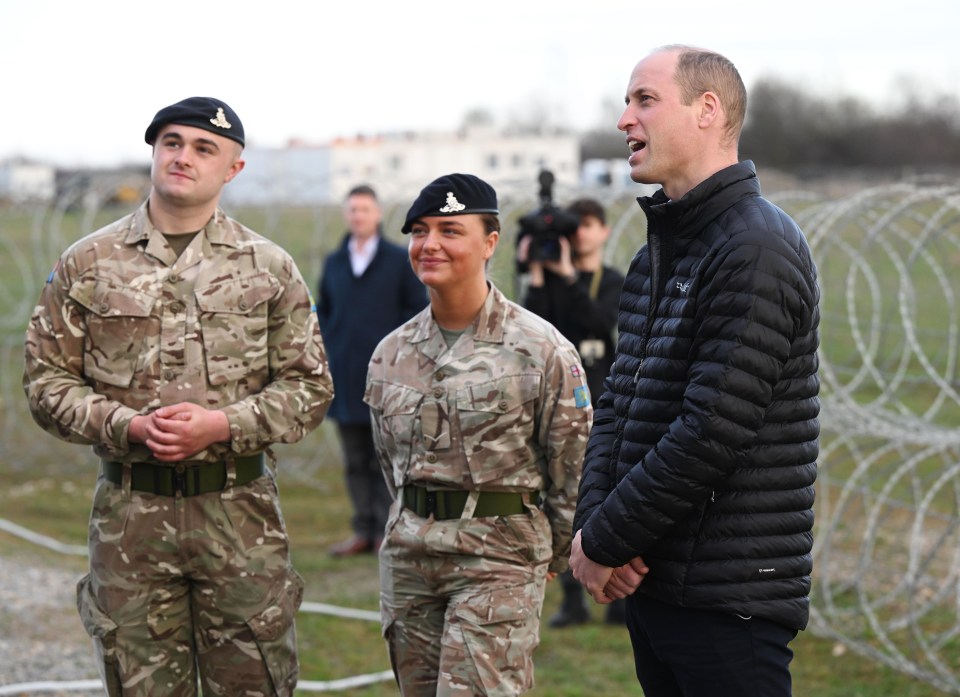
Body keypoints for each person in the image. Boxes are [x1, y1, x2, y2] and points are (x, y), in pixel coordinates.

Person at [23, 97, 334, 697]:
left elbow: (309, 386)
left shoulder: (268, 267)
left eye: (202, 148)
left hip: (240, 517)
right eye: (171, 142)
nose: (182, 157)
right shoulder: (87, 263)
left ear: (233, 169)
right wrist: (127, 426)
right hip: (129, 520)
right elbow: (46, 383)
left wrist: (223, 425)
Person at [570, 45, 821, 697]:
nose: (624, 119)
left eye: (644, 100)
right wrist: (595, 531)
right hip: (654, 585)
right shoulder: (658, 254)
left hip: (725, 602)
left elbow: (711, 430)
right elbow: (618, 407)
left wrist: (603, 541)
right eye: (626, 102)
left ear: (707, 110)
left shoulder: (755, 247)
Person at [365, 173, 593, 696]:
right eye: (419, 231)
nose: (430, 245)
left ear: (490, 242)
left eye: (450, 230)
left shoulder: (541, 350)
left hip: (499, 558)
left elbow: (575, 464)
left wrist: (544, 555)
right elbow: (390, 463)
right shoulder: (390, 354)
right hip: (410, 559)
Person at [518, 197, 627, 628]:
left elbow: (601, 322)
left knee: (612, 500)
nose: (578, 234)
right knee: (561, 499)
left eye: (587, 225)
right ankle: (572, 600)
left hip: (606, 400)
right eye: (573, 226)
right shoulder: (550, 282)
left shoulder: (616, 279)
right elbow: (532, 328)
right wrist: (542, 275)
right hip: (558, 403)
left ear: (602, 230)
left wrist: (567, 276)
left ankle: (619, 598)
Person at [318, 184, 427, 556]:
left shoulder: (398, 260)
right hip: (346, 376)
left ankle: (387, 528)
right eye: (352, 210)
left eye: (365, 209)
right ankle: (362, 528)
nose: (358, 216)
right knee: (354, 460)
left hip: (388, 378)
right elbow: (326, 311)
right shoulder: (335, 262)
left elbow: (416, 309)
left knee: (385, 459)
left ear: (377, 214)